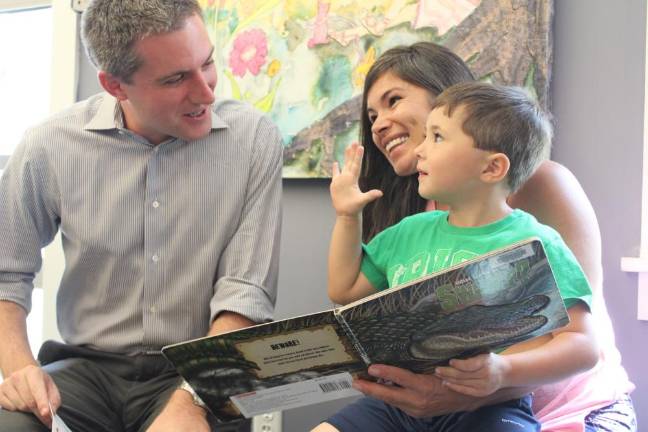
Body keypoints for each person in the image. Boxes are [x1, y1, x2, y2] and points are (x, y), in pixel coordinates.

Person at [317, 42, 636, 431]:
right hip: (436, 409)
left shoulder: (542, 191)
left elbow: (574, 337)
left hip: (562, 410)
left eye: (394, 100)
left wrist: (481, 380)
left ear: (445, 96)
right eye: (372, 115)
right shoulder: (418, 222)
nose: (379, 124)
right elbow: (347, 290)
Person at [0, 1, 283, 431]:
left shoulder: (254, 140)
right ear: (115, 85)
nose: (206, 93)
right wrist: (21, 371)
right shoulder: (49, 147)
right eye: (175, 79)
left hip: (199, 367)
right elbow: (6, 273)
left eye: (206, 63)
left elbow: (245, 292)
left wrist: (191, 399)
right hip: (84, 371)